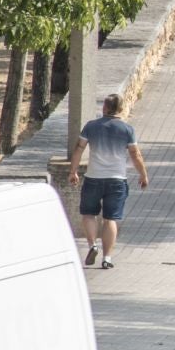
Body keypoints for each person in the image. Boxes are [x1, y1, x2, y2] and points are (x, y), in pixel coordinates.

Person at [67, 93, 148, 269]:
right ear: (121, 109)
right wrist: (143, 175)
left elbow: (79, 148)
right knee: (110, 219)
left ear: (104, 108)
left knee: (89, 214)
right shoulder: (127, 130)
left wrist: (73, 171)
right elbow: (135, 154)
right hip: (117, 180)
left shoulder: (91, 127)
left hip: (93, 178)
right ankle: (107, 258)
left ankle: (92, 246)